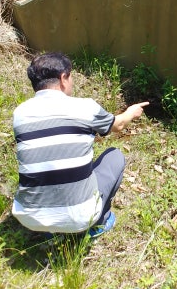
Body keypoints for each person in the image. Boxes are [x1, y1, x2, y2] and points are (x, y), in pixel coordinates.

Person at [11, 52, 149, 238]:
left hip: (30, 218)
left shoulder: (20, 113)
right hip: (80, 217)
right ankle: (99, 223)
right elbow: (118, 125)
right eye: (71, 76)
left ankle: (50, 231)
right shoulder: (85, 107)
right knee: (114, 156)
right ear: (63, 78)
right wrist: (131, 112)